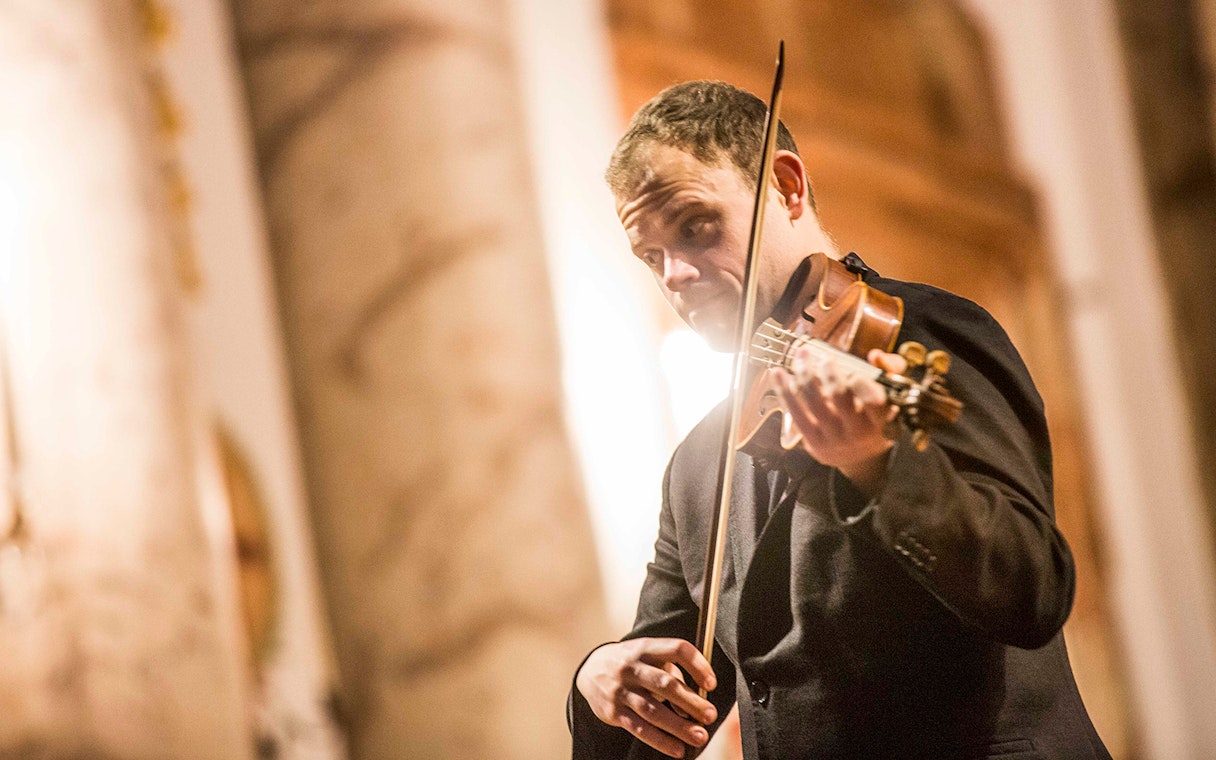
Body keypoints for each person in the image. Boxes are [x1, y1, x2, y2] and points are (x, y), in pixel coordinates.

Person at [567, 81, 1111, 760]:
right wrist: (598, 678)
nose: (675, 272)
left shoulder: (928, 335)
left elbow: (1033, 589)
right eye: (651, 256)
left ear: (787, 188)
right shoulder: (700, 463)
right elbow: (665, 714)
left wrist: (881, 464)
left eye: (695, 225)